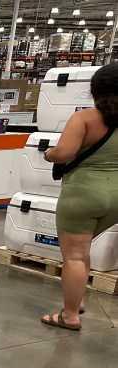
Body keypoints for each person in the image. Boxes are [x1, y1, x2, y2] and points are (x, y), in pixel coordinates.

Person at [40, 63, 118, 331]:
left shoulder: (84, 118)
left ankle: (70, 314)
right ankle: (79, 299)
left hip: (83, 194)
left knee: (73, 255)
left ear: (94, 89)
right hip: (116, 198)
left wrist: (48, 154)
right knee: (83, 250)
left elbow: (63, 153)